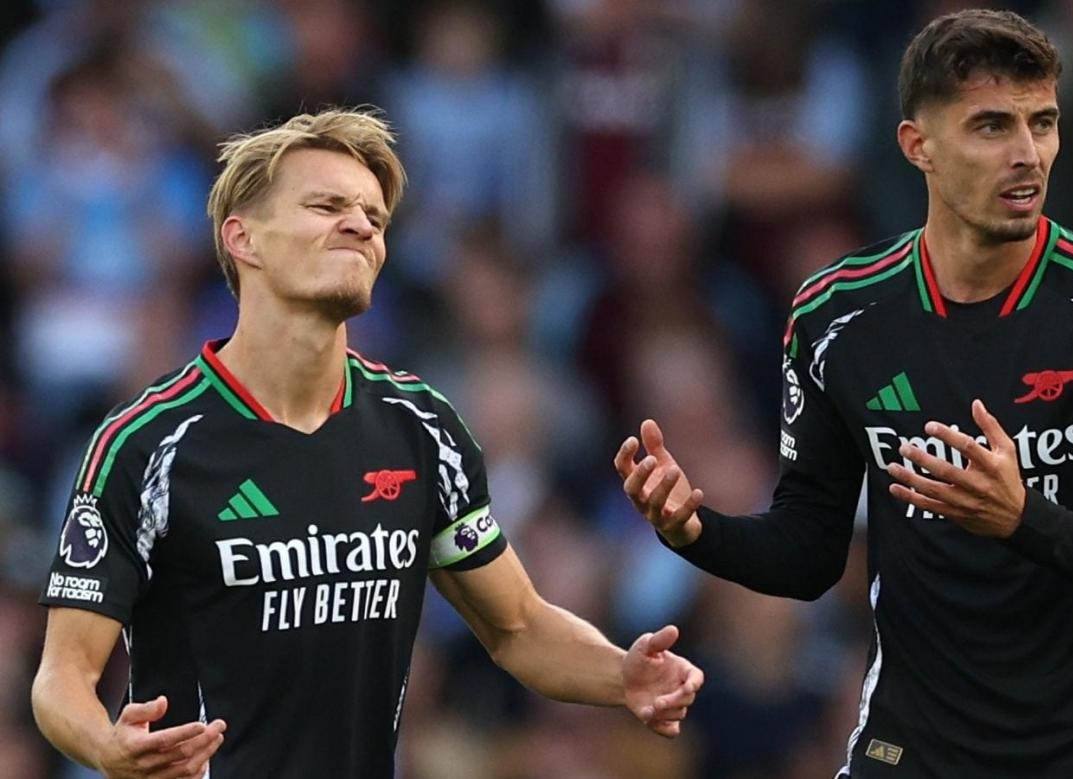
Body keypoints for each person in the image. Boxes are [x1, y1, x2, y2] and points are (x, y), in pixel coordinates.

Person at [617, 9, 1073, 778]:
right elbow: (810, 551)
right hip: (911, 748)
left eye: (1043, 122)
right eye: (992, 127)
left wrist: (1021, 517)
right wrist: (696, 530)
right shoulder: (837, 316)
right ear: (917, 145)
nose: (1028, 154)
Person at [31, 107, 703, 779]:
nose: (360, 225)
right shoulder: (147, 445)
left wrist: (622, 674)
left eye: (375, 218)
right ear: (243, 239)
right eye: (326, 205)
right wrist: (105, 746)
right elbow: (62, 675)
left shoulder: (423, 428)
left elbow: (518, 626)